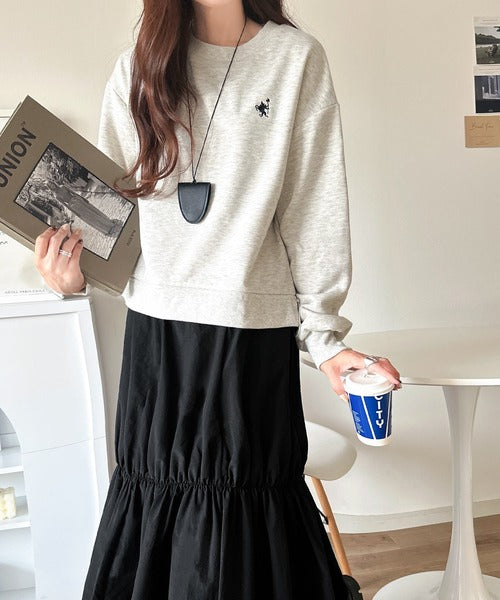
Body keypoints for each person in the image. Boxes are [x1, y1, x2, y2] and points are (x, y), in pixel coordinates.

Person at [34, 1, 402, 598]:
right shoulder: (136, 69)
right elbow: (114, 220)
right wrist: (71, 279)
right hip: (158, 341)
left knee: (248, 522)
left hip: (251, 339)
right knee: (157, 514)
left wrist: (325, 339)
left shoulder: (294, 59)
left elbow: (313, 210)